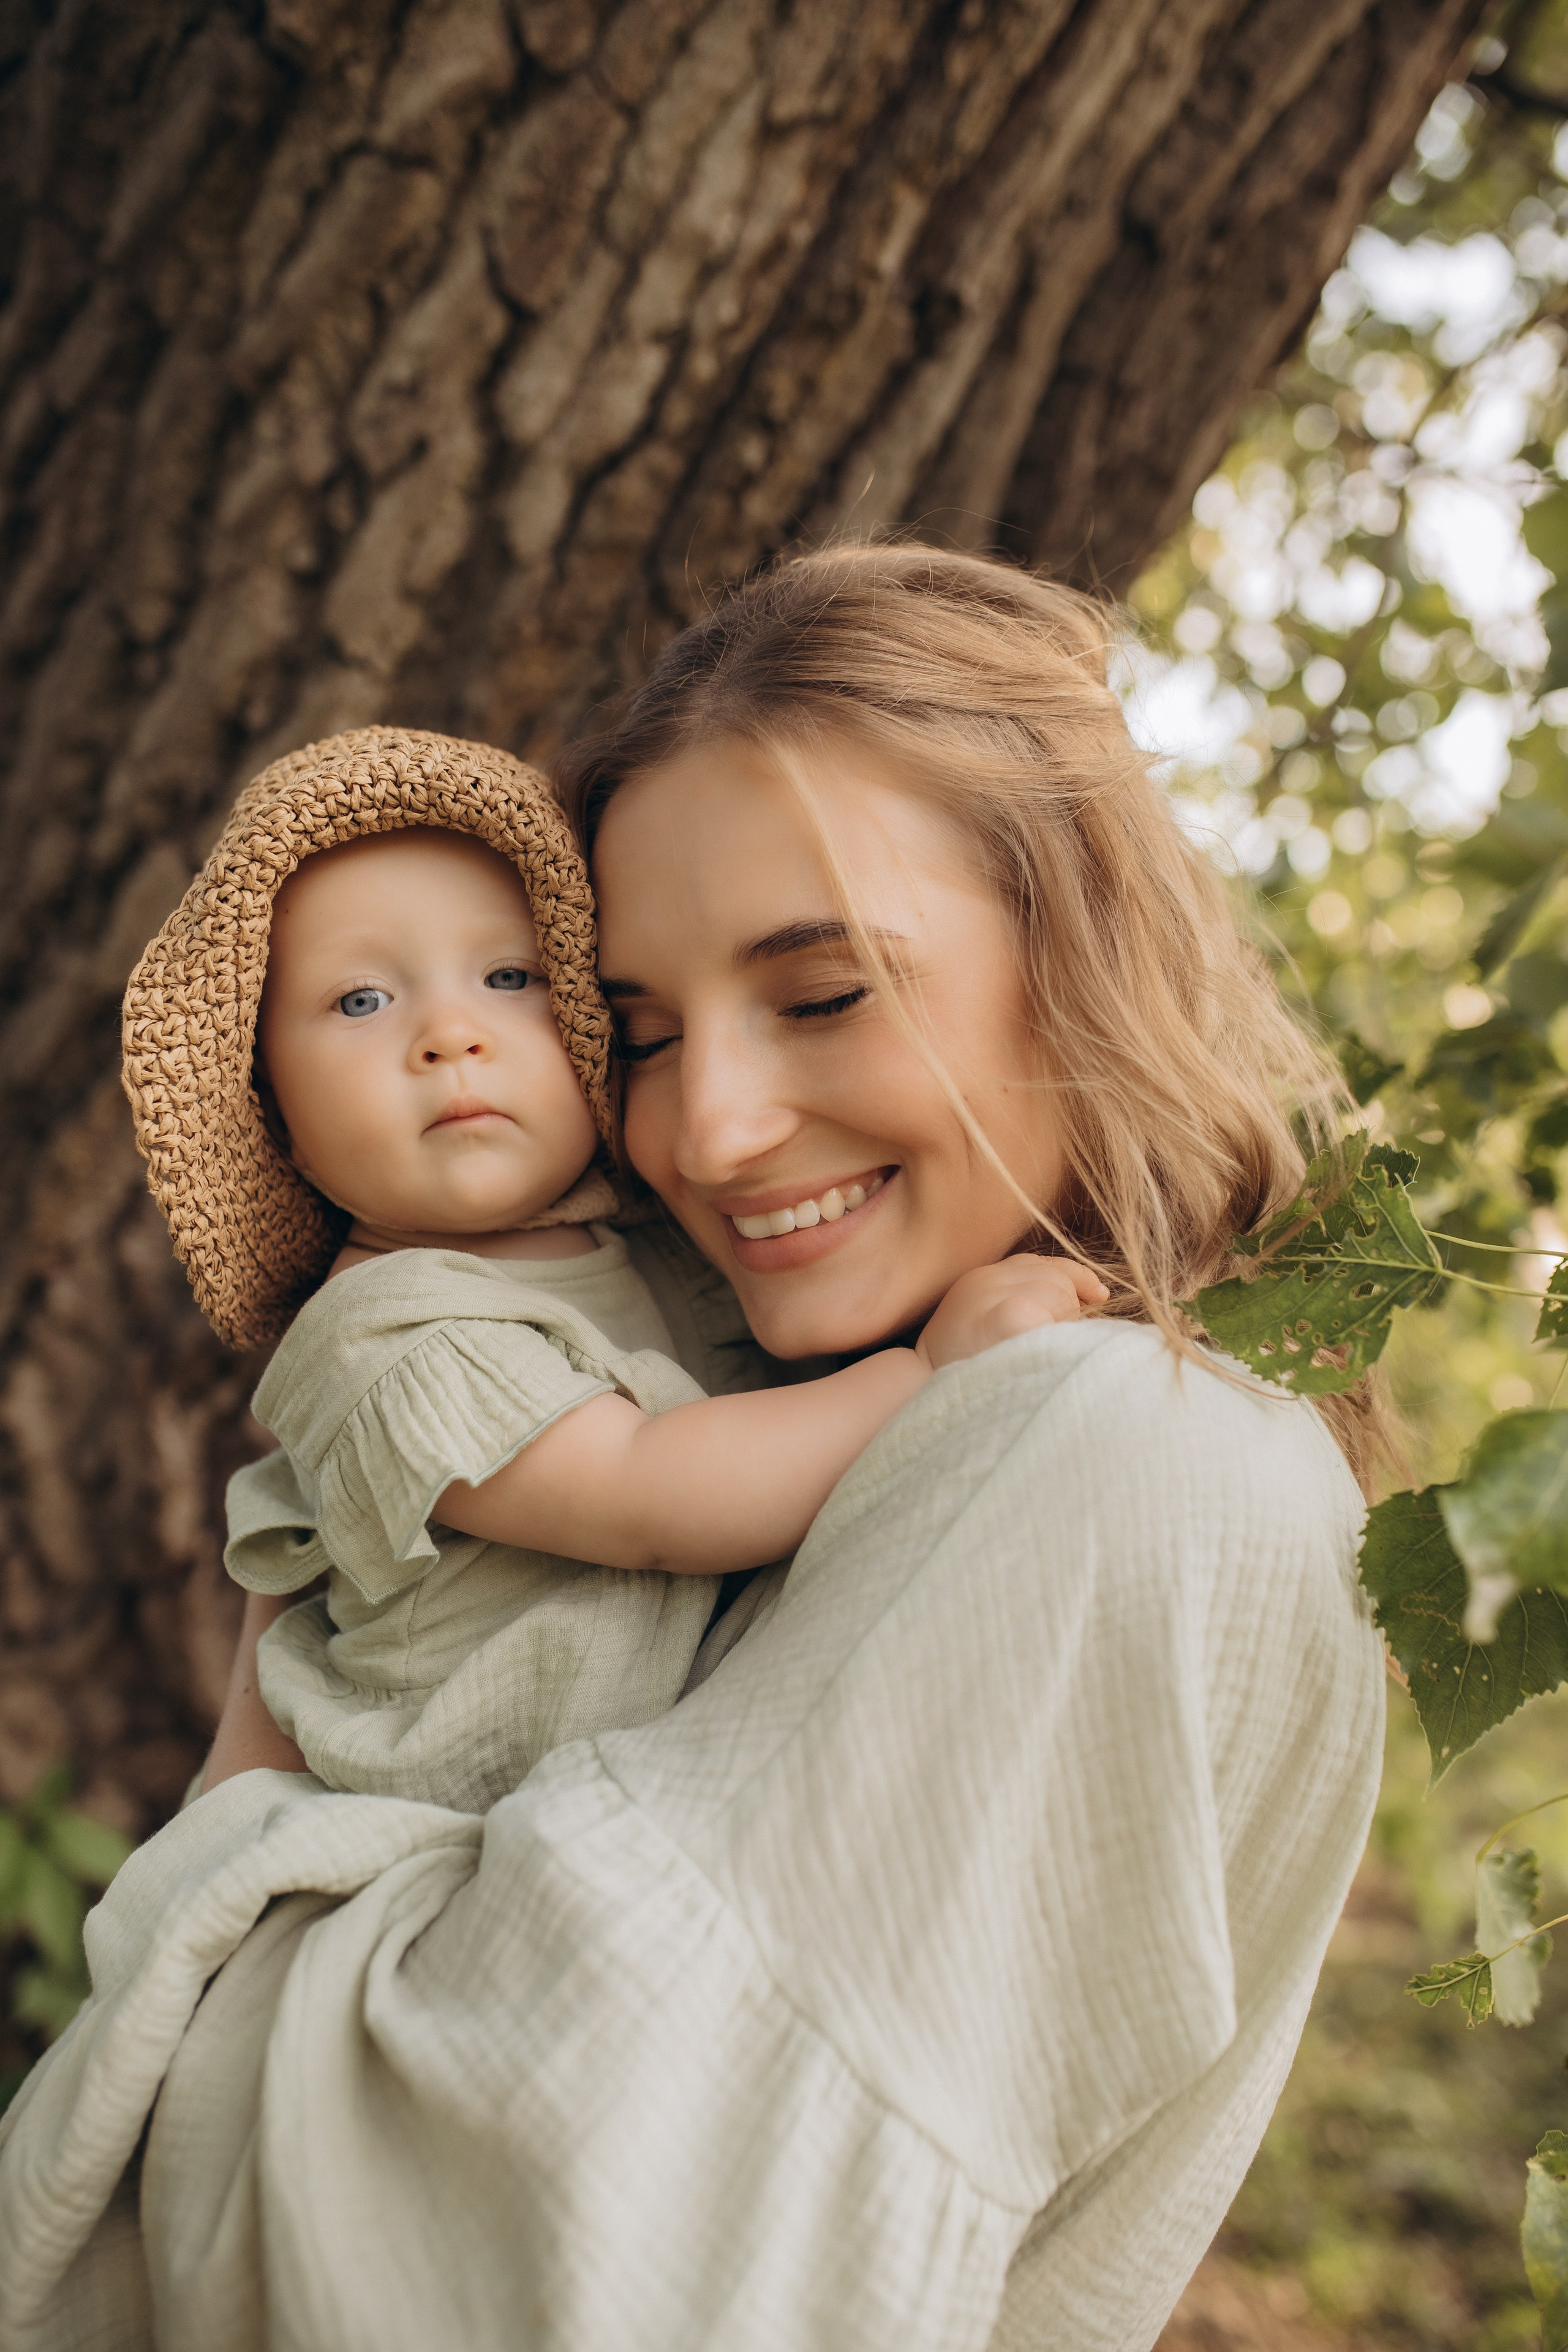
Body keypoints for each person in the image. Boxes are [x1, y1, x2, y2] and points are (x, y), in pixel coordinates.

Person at [0, 547, 1385, 2352]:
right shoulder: (794, 1387)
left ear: (1082, 959)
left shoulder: (1139, 1450)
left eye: (822, 994)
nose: (708, 1132)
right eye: (639, 1035)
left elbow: (638, 2240)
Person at [127, 733, 1095, 1813]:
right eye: (361, 1002)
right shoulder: (383, 1338)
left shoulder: (660, 1251)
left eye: (508, 978)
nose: (451, 1035)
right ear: (280, 1126)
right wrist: (928, 1372)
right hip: (441, 1827)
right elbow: (650, 1490)